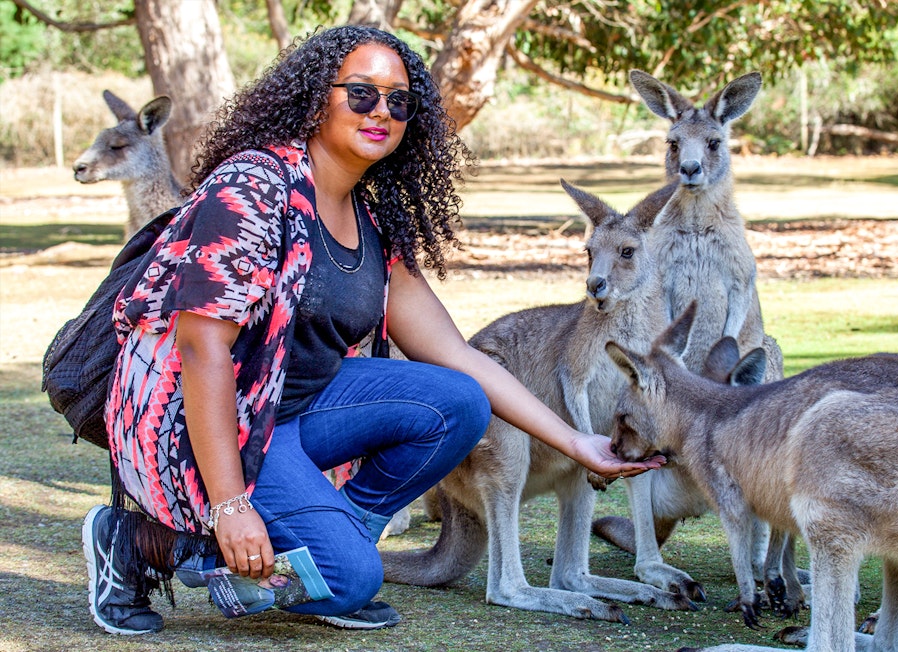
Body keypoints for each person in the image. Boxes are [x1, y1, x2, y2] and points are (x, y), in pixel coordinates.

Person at [81, 24, 664, 636]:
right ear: (316, 97)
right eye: (361, 94)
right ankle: (144, 543)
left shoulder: (370, 218)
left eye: (399, 101)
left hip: (295, 414)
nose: (382, 111)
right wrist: (229, 507)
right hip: (200, 421)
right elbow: (201, 351)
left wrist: (577, 443)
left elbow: (457, 357)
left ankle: (327, 538)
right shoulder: (252, 188)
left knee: (457, 402)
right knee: (355, 581)